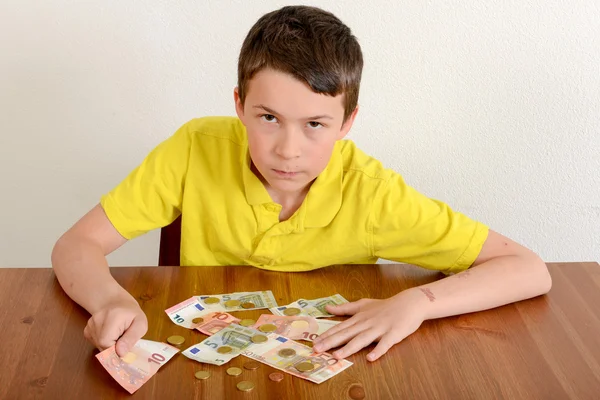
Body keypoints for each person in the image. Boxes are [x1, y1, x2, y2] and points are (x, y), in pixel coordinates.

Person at [51, 5, 552, 363]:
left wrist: (415, 304)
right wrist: (110, 299)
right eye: (268, 117)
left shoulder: (373, 193)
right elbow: (77, 244)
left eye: (315, 124)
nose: (288, 150)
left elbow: (527, 269)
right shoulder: (194, 147)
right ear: (239, 105)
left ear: (348, 122)